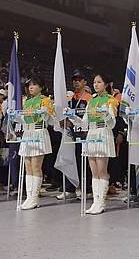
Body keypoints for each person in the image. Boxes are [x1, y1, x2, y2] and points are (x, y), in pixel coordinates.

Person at [67, 74, 118, 215]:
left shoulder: (111, 100)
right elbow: (84, 123)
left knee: (102, 170)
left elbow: (112, 123)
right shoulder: (92, 100)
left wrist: (106, 114)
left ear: (106, 84)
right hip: (91, 133)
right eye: (94, 82)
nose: (96, 85)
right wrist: (72, 116)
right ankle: (95, 201)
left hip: (103, 132)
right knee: (94, 171)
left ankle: (101, 202)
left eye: (99, 82)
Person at [15, 78, 54, 210]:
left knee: (36, 166)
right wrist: (16, 117)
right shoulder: (27, 101)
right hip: (28, 132)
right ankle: (29, 196)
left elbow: (52, 120)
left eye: (34, 84)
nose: (31, 87)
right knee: (28, 167)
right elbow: (25, 120)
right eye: (29, 85)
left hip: (39, 132)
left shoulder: (46, 100)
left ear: (41, 87)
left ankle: (34, 198)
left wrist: (46, 112)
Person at [55, 71, 92, 200]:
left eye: (79, 80)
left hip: (84, 133)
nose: (76, 82)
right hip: (70, 133)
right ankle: (69, 189)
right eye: (74, 80)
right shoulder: (69, 98)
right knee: (69, 158)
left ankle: (86, 189)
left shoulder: (89, 98)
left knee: (83, 161)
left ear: (85, 82)